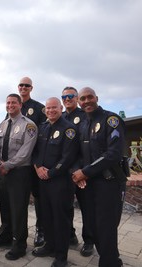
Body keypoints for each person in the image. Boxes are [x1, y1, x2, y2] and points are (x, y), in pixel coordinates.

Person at [72, 87, 126, 267]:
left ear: (97, 98)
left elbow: (113, 154)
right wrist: (80, 173)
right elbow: (78, 153)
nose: (86, 101)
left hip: (108, 182)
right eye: (83, 99)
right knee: (93, 226)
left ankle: (110, 262)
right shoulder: (83, 124)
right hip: (88, 184)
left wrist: (85, 172)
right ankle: (110, 258)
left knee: (106, 226)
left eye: (89, 97)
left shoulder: (111, 120)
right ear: (79, 102)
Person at [31, 97, 78, 267]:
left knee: (60, 219)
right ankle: (49, 245)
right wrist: (37, 168)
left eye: (54, 108)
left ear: (60, 108)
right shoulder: (42, 128)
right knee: (46, 216)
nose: (50, 110)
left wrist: (50, 173)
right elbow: (34, 151)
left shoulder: (69, 129)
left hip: (60, 182)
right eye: (48, 108)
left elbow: (68, 157)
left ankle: (61, 256)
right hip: (42, 180)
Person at [0, 94, 38, 261]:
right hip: (3, 171)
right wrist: (0, 162)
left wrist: (7, 165)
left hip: (19, 173)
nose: (10, 105)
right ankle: (5, 236)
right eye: (8, 103)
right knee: (4, 206)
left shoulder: (29, 126)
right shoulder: (3, 124)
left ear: (20, 105)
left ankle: (19, 245)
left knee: (18, 210)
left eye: (14, 102)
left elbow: (25, 153)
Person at [61, 87, 94, 255]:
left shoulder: (84, 117)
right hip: (65, 172)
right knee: (66, 207)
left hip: (82, 171)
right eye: (64, 96)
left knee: (86, 207)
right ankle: (70, 236)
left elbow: (84, 147)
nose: (67, 99)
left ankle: (89, 241)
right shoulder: (61, 118)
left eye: (70, 96)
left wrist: (80, 170)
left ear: (77, 99)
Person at [17, 76, 47, 247]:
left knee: (38, 198)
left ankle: (40, 230)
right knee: (19, 198)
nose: (23, 87)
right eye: (21, 85)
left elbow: (42, 137)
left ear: (31, 88)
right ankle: (17, 232)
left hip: (33, 162)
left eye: (26, 85)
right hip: (19, 163)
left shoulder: (39, 108)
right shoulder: (14, 106)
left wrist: (38, 162)